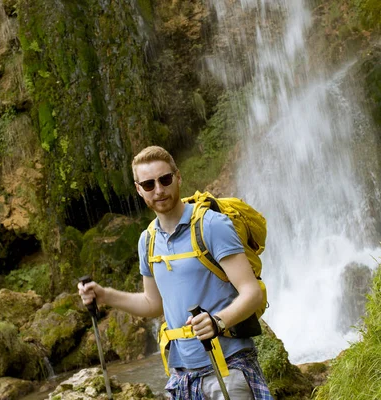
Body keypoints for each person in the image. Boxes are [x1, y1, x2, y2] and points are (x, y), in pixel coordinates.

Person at [78, 145, 273, 399]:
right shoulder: (147, 240)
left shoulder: (211, 225)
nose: (158, 190)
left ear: (177, 177)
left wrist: (218, 321)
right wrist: (105, 296)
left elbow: (252, 293)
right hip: (182, 377)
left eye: (165, 179)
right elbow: (152, 304)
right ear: (139, 189)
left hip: (228, 369)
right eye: (148, 184)